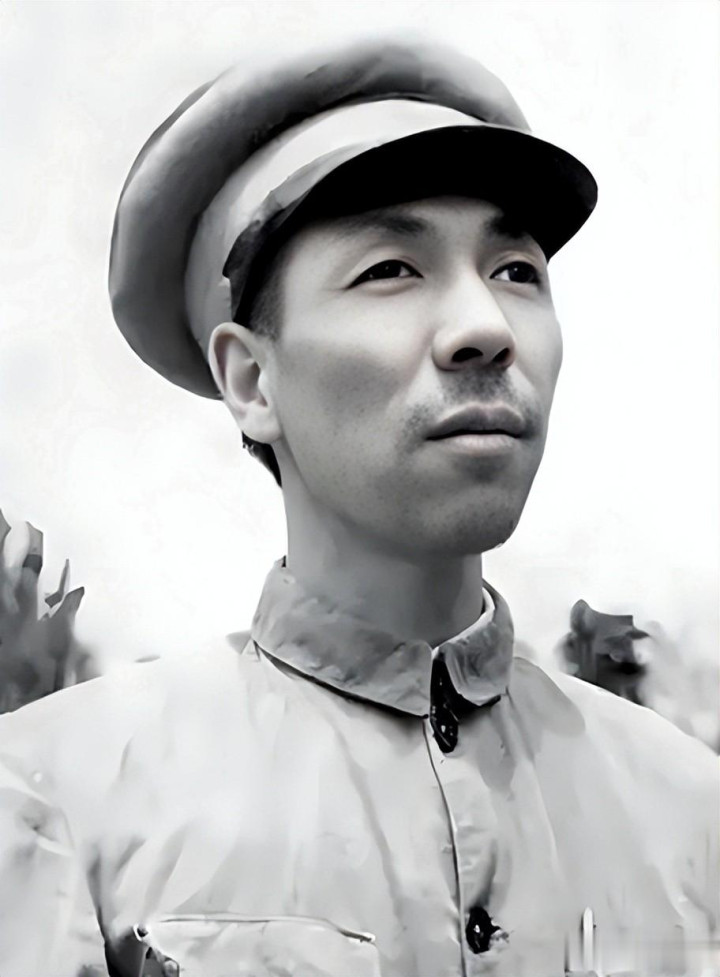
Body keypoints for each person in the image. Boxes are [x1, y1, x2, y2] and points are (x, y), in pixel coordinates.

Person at [0, 37, 717, 977]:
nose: (486, 328)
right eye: (390, 269)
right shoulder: (55, 796)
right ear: (251, 379)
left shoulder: (691, 813)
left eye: (516, 270)